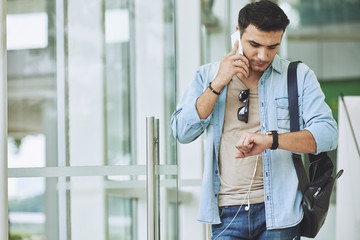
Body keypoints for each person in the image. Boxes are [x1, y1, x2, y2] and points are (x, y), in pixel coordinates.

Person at [171, 0, 338, 239]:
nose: (263, 55)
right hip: (226, 213)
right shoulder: (208, 75)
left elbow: (328, 134)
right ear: (237, 34)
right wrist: (218, 84)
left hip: (280, 214)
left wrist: (271, 140)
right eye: (254, 44)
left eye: (272, 47)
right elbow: (181, 131)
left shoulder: (298, 76)